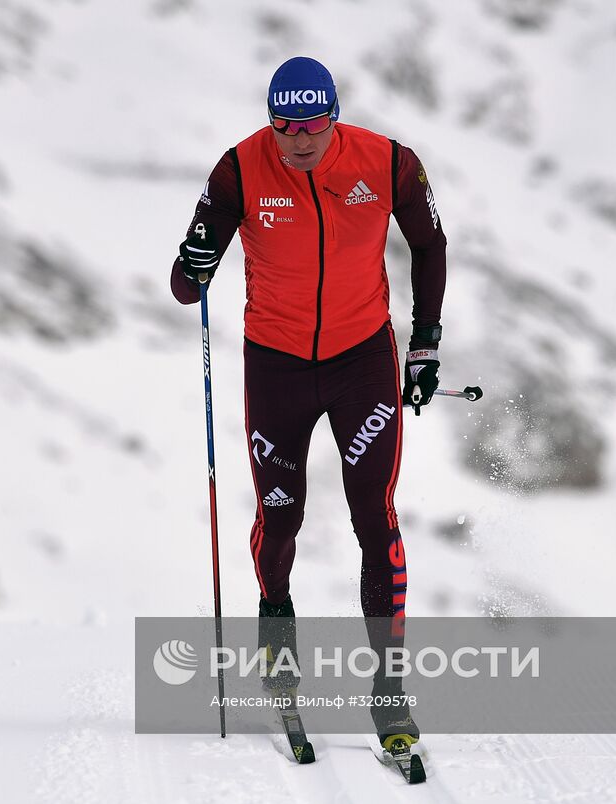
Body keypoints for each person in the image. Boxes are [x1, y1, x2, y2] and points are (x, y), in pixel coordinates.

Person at [170, 56, 447, 751]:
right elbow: (183, 285)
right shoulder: (238, 168)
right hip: (277, 363)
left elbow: (429, 242)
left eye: (312, 126)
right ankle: (278, 647)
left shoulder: (387, 163)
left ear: (334, 117)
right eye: (284, 126)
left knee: (373, 516)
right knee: (280, 516)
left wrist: (425, 345)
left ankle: (389, 693)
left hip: (361, 361)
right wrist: (194, 259)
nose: (297, 140)